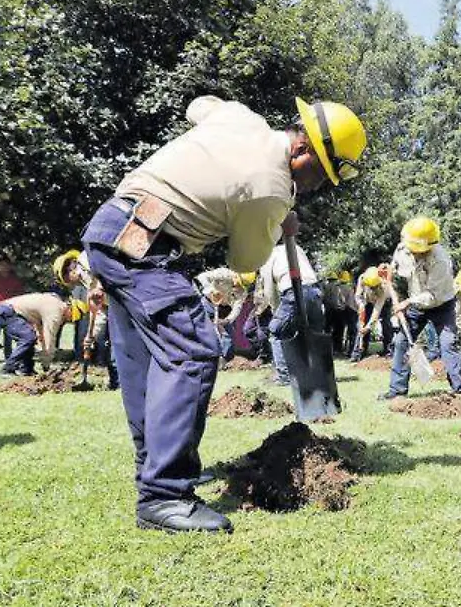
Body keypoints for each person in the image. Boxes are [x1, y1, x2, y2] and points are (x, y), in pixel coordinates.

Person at [80, 94, 365, 533]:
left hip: (110, 230)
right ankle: (165, 494)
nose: (317, 187)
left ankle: (155, 472)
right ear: (303, 148)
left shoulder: (241, 118)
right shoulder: (270, 190)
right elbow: (244, 261)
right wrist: (279, 223)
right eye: (320, 175)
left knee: (146, 362)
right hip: (145, 249)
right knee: (193, 351)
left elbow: (199, 105)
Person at [379, 216, 461, 399]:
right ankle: (397, 391)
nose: (415, 253)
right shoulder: (403, 249)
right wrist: (389, 273)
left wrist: (407, 303)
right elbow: (395, 272)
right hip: (415, 306)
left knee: (448, 344)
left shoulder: (440, 260)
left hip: (442, 305)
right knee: (401, 342)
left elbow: (432, 296)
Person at [258, 238, 324, 385]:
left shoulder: (266, 257)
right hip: (314, 291)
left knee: (276, 332)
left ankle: (284, 377)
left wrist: (275, 310)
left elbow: (269, 291)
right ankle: (317, 374)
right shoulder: (296, 247)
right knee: (314, 333)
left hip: (292, 292)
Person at [55, 249, 119, 389]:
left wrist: (99, 288)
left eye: (68, 281)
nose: (72, 285)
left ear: (69, 271)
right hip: (115, 307)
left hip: (125, 301)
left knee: (119, 344)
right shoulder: (87, 282)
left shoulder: (87, 260)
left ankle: (119, 382)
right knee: (115, 345)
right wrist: (92, 335)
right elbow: (100, 310)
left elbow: (104, 274)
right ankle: (116, 383)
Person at [0, 292, 87, 377]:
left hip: (10, 311)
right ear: (70, 310)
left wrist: (42, 343)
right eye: (70, 318)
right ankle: (7, 369)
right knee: (28, 338)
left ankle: (26, 369)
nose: (67, 321)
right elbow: (49, 338)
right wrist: (46, 364)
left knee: (30, 337)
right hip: (6, 312)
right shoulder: (55, 313)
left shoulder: (55, 304)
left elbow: (41, 331)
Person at [195, 267, 255, 363]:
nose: (238, 286)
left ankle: (223, 361)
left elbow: (237, 307)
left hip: (226, 309)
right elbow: (202, 277)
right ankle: (203, 358)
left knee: (228, 337)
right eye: (238, 282)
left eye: (242, 285)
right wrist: (211, 291)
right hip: (209, 304)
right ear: (236, 275)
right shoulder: (223, 273)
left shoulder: (243, 291)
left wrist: (227, 320)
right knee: (205, 331)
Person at [0, 253, 25, 364]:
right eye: (1, 264)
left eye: (5, 264)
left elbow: (19, 294)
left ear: (9, 265)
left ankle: (8, 356)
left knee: (9, 334)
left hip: (11, 309)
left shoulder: (15, 279)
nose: (3, 267)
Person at [351, 267, 392, 361]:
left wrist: (368, 327)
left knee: (386, 324)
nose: (371, 289)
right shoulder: (362, 278)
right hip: (367, 302)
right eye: (369, 287)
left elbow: (377, 311)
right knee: (361, 325)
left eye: (374, 287)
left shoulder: (384, 287)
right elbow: (358, 295)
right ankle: (358, 352)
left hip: (384, 303)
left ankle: (389, 350)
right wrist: (361, 305)